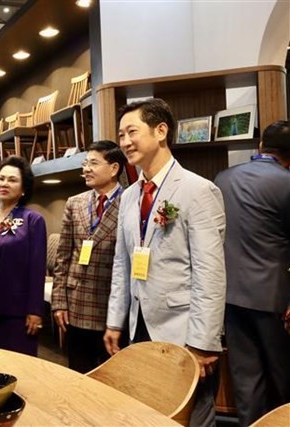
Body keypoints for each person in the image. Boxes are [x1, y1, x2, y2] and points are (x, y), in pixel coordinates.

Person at [103, 98, 226, 427]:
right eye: (121, 135)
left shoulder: (198, 190)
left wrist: (201, 343)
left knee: (192, 419)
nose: (125, 142)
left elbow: (210, 273)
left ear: (161, 131)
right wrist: (116, 321)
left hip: (184, 332)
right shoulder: (129, 196)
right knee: (146, 415)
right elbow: (122, 264)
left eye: (132, 132)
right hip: (139, 327)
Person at [214, 120, 290, 426]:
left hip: (230, 295)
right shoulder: (286, 181)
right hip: (276, 299)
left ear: (260, 147)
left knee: (247, 382)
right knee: (284, 379)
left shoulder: (223, 178)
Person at [52, 140, 127, 373]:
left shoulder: (129, 202)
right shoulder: (75, 203)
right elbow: (63, 257)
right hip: (76, 304)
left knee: (111, 377)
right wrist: (59, 302)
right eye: (85, 163)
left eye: (93, 163)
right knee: (77, 374)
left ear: (114, 168)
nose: (85, 169)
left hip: (111, 306)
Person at [0, 156, 46, 356]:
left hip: (17, 311)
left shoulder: (32, 220)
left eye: (12, 180)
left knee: (17, 369)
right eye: (1, 178)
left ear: (24, 188)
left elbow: (37, 268)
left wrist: (35, 310)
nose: (5, 183)